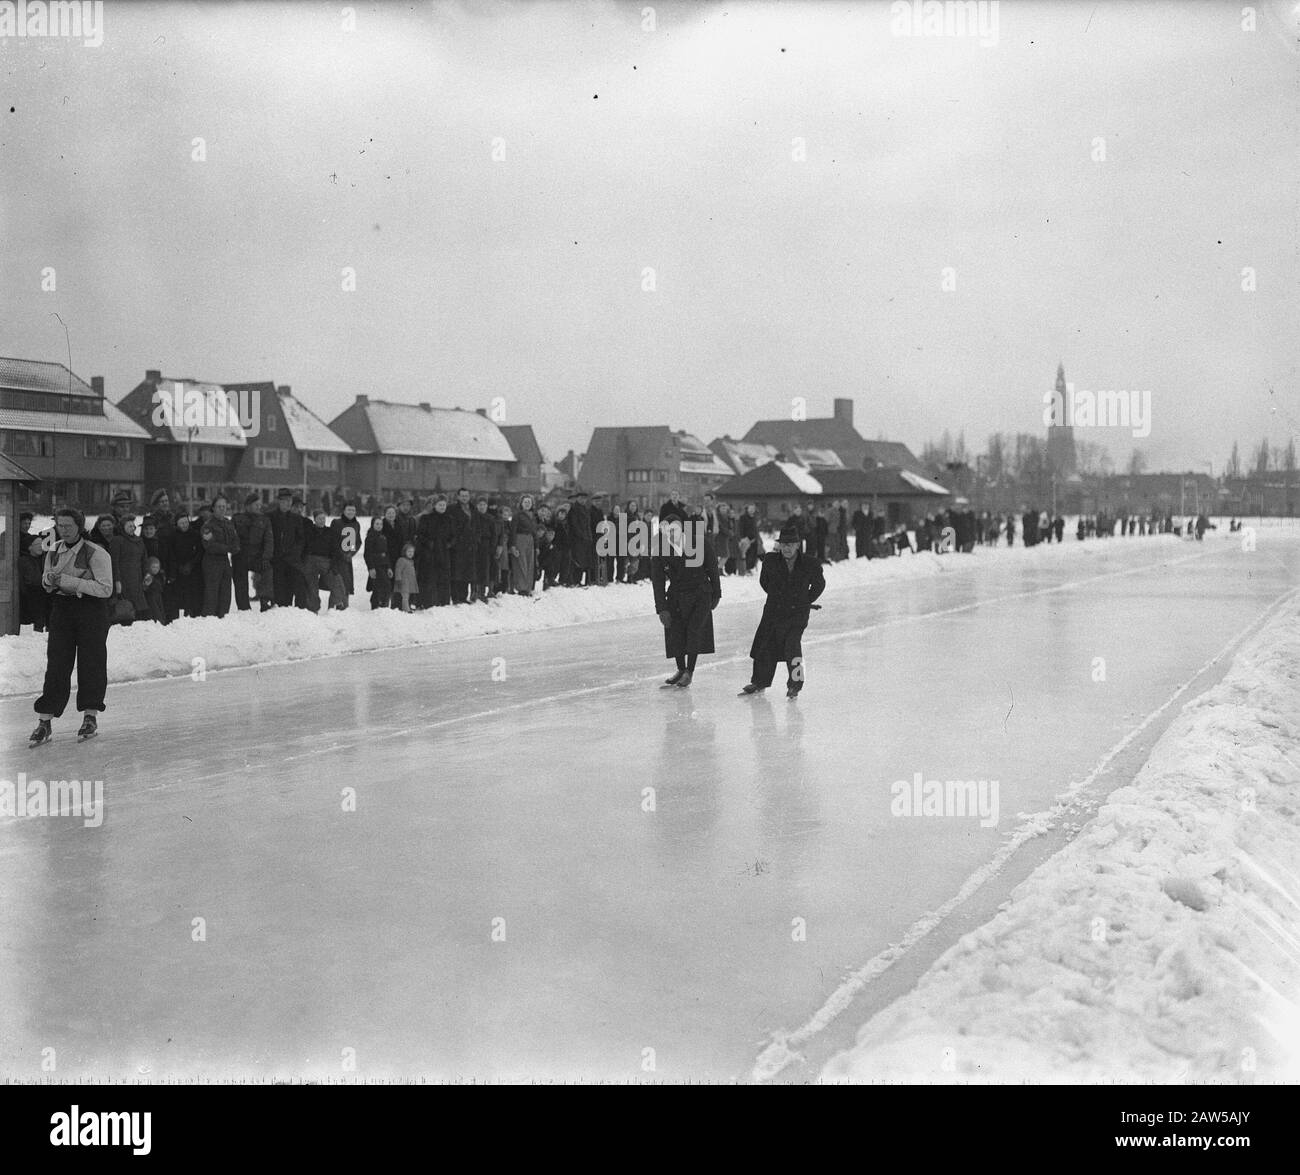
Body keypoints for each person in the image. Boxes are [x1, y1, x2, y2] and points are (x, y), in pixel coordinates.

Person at [30, 507, 113, 746]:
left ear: (79, 526)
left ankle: (90, 716)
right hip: (62, 610)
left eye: (67, 526)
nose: (63, 530)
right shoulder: (53, 550)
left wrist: (69, 581)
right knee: (57, 664)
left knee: (91, 662)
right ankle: (45, 721)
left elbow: (105, 588)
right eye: (60, 525)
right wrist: (48, 580)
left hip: (91, 611)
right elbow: (46, 579)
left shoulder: (96, 552)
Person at [741, 520, 825, 700]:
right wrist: (777, 597)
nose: (786, 548)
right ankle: (759, 682)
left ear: (797, 545)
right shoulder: (770, 561)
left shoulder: (810, 563)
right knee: (765, 646)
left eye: (790, 545)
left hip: (797, 614)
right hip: (774, 611)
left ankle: (796, 685)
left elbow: (819, 585)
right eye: (783, 545)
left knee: (792, 648)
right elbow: (764, 582)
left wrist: (805, 600)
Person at [650, 513, 721, 688]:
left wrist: (717, 594)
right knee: (676, 632)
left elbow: (712, 567)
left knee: (694, 630)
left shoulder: (698, 542)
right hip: (676, 595)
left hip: (700, 593)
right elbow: (657, 581)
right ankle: (681, 670)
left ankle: (690, 671)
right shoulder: (659, 549)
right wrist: (662, 608)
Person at [233, 493, 274, 612]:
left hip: (257, 556)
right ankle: (243, 607)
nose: (259, 507)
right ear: (247, 506)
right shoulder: (237, 519)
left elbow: (269, 540)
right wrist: (236, 550)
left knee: (268, 570)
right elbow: (232, 537)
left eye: (259, 504)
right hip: (240, 555)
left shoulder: (264, 520)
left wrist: (266, 557)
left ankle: (265, 601)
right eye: (255, 504)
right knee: (240, 578)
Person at [200, 495, 240, 617]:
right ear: (213, 508)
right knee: (211, 597)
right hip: (212, 563)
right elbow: (210, 545)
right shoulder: (207, 526)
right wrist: (227, 548)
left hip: (225, 563)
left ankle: (223, 622)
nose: (222, 509)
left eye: (224, 506)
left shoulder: (228, 524)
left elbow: (235, 541)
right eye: (219, 507)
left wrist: (232, 548)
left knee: (225, 595)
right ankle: (209, 622)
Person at [269, 488, 308, 608]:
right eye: (285, 500)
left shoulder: (296, 519)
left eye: (289, 500)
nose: (288, 503)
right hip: (276, 561)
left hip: (293, 561)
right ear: (279, 501)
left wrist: (295, 553)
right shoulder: (270, 517)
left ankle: (298, 615)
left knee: (299, 589)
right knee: (280, 593)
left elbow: (301, 539)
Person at [303, 508, 344, 612]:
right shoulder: (309, 531)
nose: (322, 520)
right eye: (319, 518)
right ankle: (313, 608)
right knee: (311, 586)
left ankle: (335, 606)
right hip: (310, 560)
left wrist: (334, 563)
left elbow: (335, 549)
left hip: (325, 560)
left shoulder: (330, 532)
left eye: (323, 518)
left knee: (337, 581)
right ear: (314, 519)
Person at [166, 510, 204, 618]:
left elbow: (199, 552)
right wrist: (178, 567)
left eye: (186, 522)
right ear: (177, 524)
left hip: (192, 570)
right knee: (177, 595)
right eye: (182, 523)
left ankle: (191, 614)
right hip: (178, 570)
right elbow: (171, 554)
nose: (184, 525)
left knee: (191, 595)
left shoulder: (195, 535)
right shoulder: (173, 536)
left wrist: (191, 564)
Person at [331, 501, 362, 609]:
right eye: (349, 510)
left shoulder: (356, 524)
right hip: (337, 558)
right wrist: (342, 554)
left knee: (347, 582)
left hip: (348, 559)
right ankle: (336, 606)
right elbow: (333, 541)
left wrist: (351, 553)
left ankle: (345, 606)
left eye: (353, 510)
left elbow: (357, 542)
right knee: (338, 582)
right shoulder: (336, 523)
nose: (351, 512)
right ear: (344, 511)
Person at [449, 487, 476, 604]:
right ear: (458, 497)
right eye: (462, 496)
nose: (465, 498)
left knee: (466, 572)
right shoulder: (452, 509)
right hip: (458, 545)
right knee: (457, 572)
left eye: (466, 496)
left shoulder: (473, 509)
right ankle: (456, 597)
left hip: (470, 546)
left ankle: (464, 596)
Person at [364, 512, 394, 610]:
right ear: (373, 525)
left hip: (384, 565)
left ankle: (383, 606)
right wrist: (371, 568)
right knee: (382, 586)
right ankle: (376, 606)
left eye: (380, 524)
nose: (379, 526)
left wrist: (389, 567)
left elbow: (387, 553)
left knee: (385, 586)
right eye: (377, 524)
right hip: (376, 566)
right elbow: (367, 554)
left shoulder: (383, 537)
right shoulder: (370, 537)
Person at [510, 495, 538, 595]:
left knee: (530, 563)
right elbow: (513, 530)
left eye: (529, 502)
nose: (527, 504)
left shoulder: (533, 516)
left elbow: (535, 532)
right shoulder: (517, 515)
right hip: (520, 538)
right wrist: (513, 545)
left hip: (530, 540)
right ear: (521, 503)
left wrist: (537, 546)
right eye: (525, 502)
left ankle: (528, 587)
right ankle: (521, 587)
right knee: (521, 563)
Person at [19, 533, 48, 631]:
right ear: (29, 547)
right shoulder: (24, 561)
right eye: (37, 544)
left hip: (46, 592)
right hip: (31, 596)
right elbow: (24, 581)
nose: (40, 547)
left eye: (42, 544)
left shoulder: (46, 558)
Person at [141, 556, 169, 624]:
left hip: (158, 596)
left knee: (161, 610)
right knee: (156, 612)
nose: (155, 569)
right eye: (153, 567)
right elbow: (144, 587)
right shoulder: (149, 576)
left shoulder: (159, 576)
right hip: (151, 597)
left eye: (157, 567)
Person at [393, 542, 419, 611]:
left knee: (408, 595)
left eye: (412, 552)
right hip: (403, 582)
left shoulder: (411, 561)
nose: (411, 553)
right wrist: (398, 579)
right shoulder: (401, 560)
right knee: (405, 596)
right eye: (409, 551)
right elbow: (398, 570)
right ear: (405, 552)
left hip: (409, 582)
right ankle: (406, 608)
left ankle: (408, 606)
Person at [738, 503, 760, 575]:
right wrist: (742, 537)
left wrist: (757, 538)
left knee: (753, 555)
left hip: (754, 539)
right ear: (747, 509)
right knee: (746, 554)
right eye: (750, 509)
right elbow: (740, 528)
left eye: (753, 509)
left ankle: (750, 568)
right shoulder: (743, 517)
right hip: (746, 539)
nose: (751, 510)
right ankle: (745, 569)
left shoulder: (755, 518)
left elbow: (756, 529)